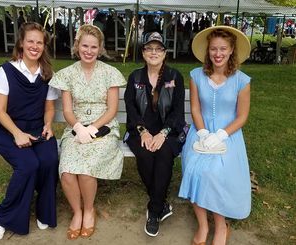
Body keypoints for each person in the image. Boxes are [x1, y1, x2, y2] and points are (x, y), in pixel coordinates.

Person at [48, 24, 126, 240]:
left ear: (100, 48)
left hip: (104, 129)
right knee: (67, 170)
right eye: (85, 46)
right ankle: (77, 212)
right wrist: (79, 128)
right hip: (76, 128)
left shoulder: (110, 73)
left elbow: (112, 109)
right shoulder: (67, 75)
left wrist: (93, 128)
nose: (89, 51)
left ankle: (89, 209)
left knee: (85, 169)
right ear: (77, 46)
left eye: (94, 47)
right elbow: (66, 110)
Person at [178, 26, 252, 245]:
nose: (217, 54)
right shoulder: (196, 76)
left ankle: (221, 226)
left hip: (229, 134)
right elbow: (195, 110)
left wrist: (220, 135)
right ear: (207, 51)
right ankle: (203, 225)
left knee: (215, 174)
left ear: (231, 51)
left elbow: (242, 116)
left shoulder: (242, 81)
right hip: (200, 131)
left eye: (223, 49)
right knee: (193, 170)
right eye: (213, 49)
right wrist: (201, 133)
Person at [0, 22, 59, 240]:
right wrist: (17, 134)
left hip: (38, 130)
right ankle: (3, 216)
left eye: (40, 42)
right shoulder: (6, 70)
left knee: (49, 160)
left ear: (44, 46)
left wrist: (48, 124)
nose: (35, 46)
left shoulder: (47, 73)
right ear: (21, 43)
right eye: (30, 41)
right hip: (9, 131)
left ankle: (44, 211)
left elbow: (49, 107)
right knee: (29, 165)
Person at [124, 32, 186, 237]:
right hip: (139, 131)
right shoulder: (135, 77)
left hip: (169, 131)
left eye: (158, 48)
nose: (153, 52)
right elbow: (131, 110)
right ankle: (160, 204)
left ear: (164, 52)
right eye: (149, 48)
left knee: (164, 153)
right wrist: (143, 132)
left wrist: (163, 133)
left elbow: (178, 112)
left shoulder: (175, 77)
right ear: (143, 52)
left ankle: (154, 211)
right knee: (144, 154)